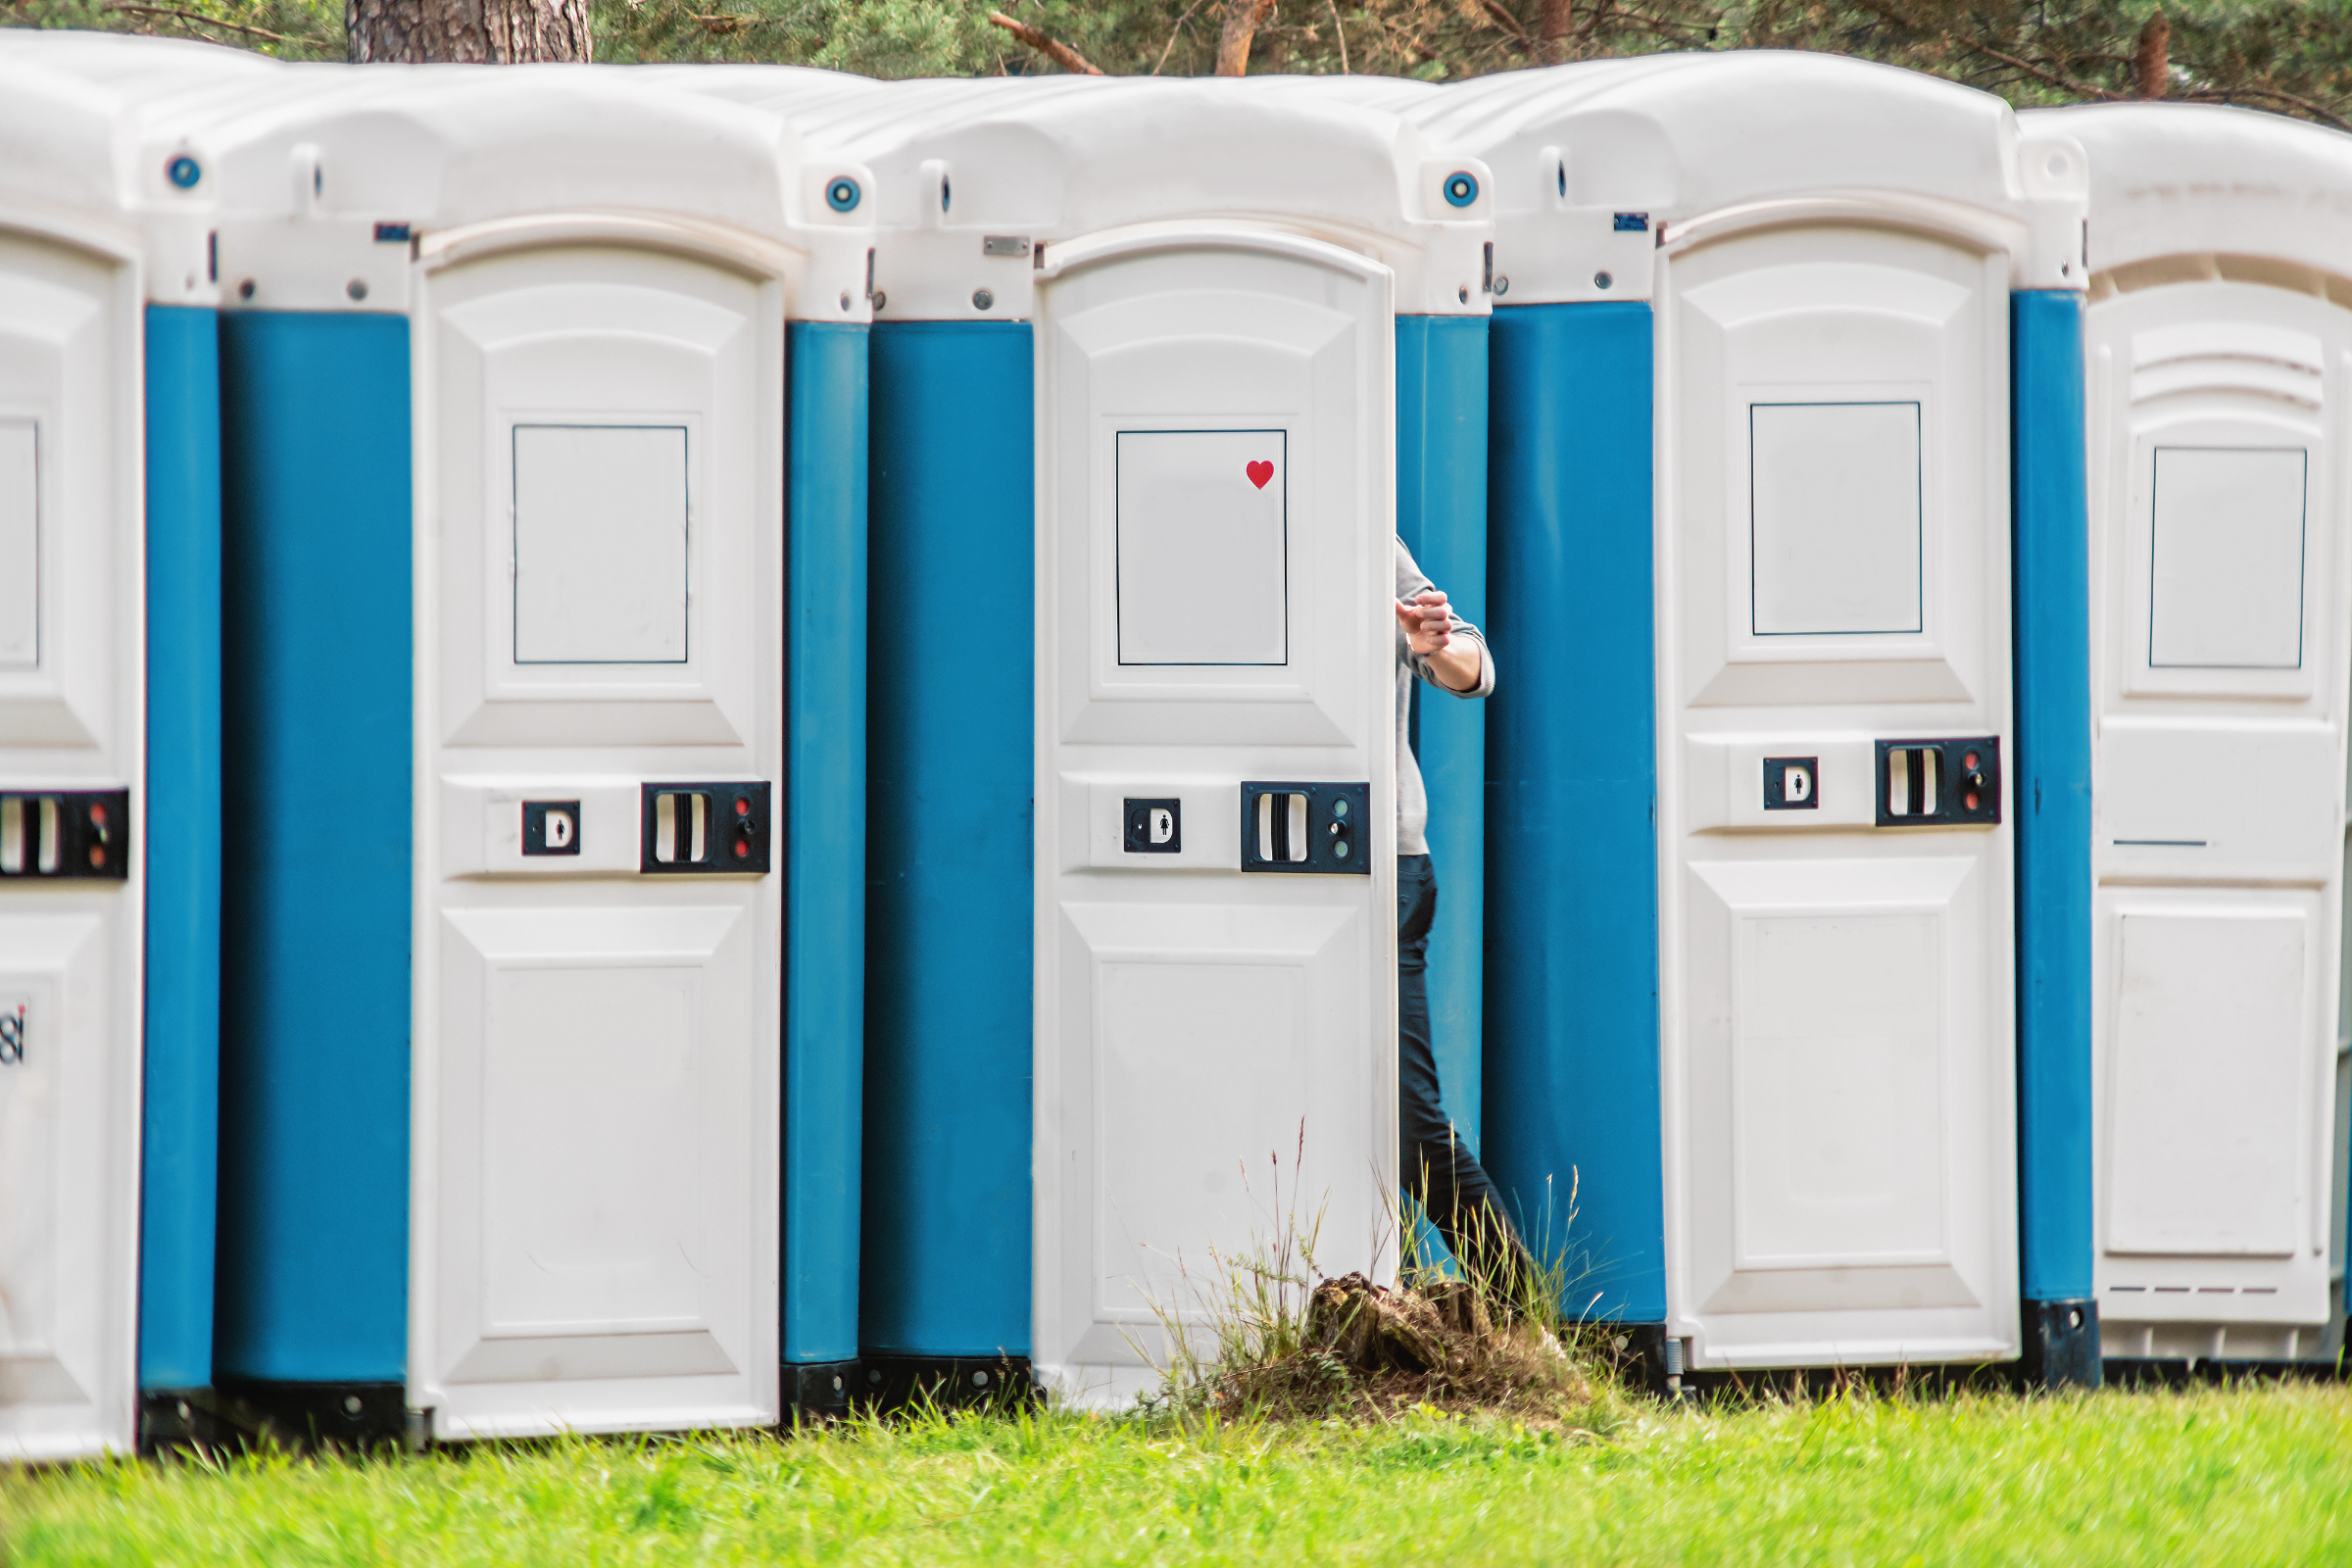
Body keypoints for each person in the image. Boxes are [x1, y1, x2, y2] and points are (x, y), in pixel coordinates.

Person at [1394, 537, 1530, 1298]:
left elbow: (1475, 668)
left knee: (1414, 1130)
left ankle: (1522, 1319)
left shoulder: (1361, 522)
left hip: (1384, 864)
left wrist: (1434, 644)